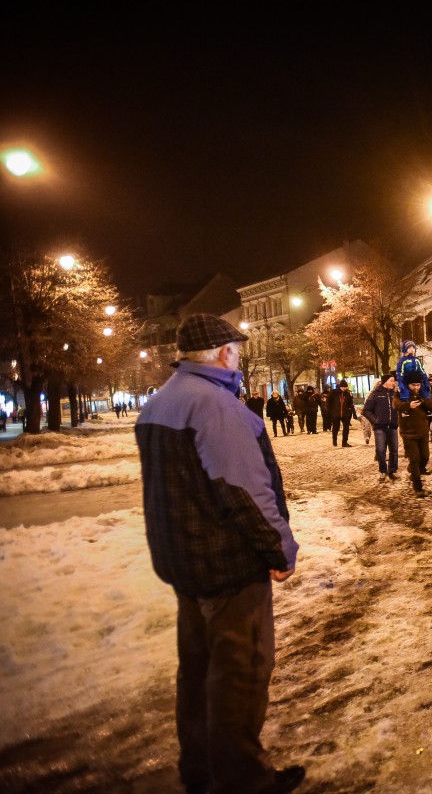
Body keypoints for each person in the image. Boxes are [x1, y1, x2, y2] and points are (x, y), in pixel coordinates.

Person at [134, 313, 304, 794]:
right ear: (225, 354)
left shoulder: (160, 402)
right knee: (240, 674)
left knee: (197, 671)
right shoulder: (215, 407)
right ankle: (244, 781)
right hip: (228, 566)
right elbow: (245, 491)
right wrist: (280, 549)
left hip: (184, 562)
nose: (241, 359)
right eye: (238, 351)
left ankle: (202, 772)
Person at [398, 370, 432, 496]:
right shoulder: (401, 394)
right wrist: (408, 405)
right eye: (413, 385)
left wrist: (424, 401)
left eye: (418, 385)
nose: (416, 387)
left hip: (423, 432)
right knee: (415, 459)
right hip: (408, 433)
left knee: (425, 457)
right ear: (408, 385)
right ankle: (418, 488)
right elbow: (396, 405)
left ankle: (412, 469)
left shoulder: (424, 394)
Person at [363, 374, 399, 482]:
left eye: (394, 381)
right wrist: (375, 421)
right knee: (380, 450)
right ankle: (383, 471)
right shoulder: (375, 394)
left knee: (394, 450)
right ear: (385, 382)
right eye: (391, 380)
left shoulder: (395, 394)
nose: (393, 383)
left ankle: (392, 470)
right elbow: (366, 410)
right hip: (380, 428)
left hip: (392, 426)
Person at [329, 380, 356, 447]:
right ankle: (334, 439)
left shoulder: (347, 394)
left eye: (345, 387)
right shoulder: (334, 393)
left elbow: (351, 404)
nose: (344, 388)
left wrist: (354, 413)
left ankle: (344, 442)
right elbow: (329, 403)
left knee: (346, 428)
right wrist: (330, 412)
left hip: (345, 414)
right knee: (336, 428)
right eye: (343, 387)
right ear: (340, 386)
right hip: (336, 414)